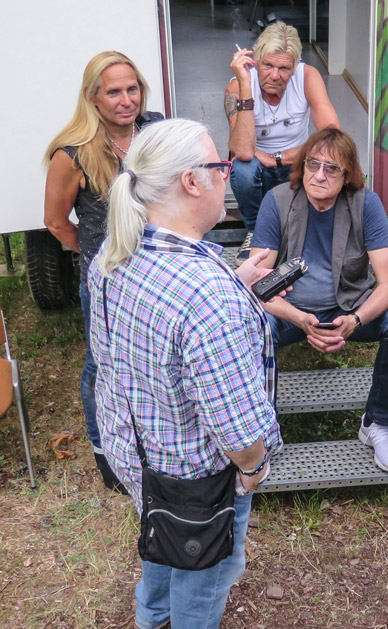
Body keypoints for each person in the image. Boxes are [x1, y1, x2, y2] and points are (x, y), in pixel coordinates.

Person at [87, 118, 283, 629]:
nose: (226, 176)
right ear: (192, 182)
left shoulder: (112, 257)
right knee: (203, 582)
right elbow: (239, 432)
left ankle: (150, 619)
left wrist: (233, 284)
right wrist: (252, 471)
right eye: (220, 167)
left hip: (142, 462)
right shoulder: (205, 294)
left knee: (160, 546)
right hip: (201, 486)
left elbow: (123, 358)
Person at [249, 128, 388, 472]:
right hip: (291, 313)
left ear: (347, 175)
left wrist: (357, 319)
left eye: (331, 168)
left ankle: (377, 423)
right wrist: (297, 317)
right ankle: (260, 429)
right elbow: (256, 287)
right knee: (250, 325)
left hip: (348, 308)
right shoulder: (277, 200)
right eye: (312, 164)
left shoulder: (366, 203)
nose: (319, 175)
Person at [42, 51, 163, 492]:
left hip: (158, 270)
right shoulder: (71, 153)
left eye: (132, 89)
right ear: (93, 97)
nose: (126, 100)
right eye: (114, 91)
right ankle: (104, 451)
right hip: (109, 280)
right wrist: (96, 255)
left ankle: (155, 443)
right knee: (103, 364)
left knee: (155, 358)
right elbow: (56, 222)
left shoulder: (155, 130)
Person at [225, 21, 340, 238]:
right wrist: (245, 85)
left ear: (295, 66)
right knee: (243, 169)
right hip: (258, 165)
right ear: (256, 61)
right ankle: (256, 233)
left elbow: (332, 134)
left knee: (329, 159)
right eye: (268, 65)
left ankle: (303, 230)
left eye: (284, 68)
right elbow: (244, 151)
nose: (275, 76)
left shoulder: (307, 77)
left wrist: (278, 158)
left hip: (297, 161)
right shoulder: (237, 87)